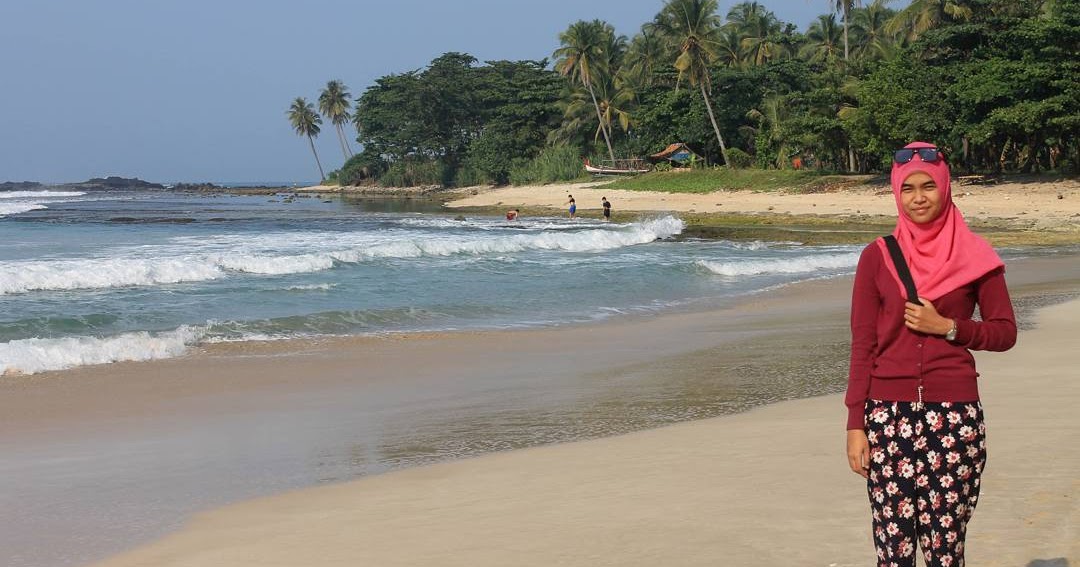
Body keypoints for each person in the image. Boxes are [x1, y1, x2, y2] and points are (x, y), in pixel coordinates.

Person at [844, 141, 1016, 566]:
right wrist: (854, 424)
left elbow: (1005, 332)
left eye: (928, 187)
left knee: (945, 547)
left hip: (955, 415)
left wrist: (951, 328)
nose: (918, 198)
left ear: (945, 188)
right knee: (894, 549)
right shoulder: (877, 257)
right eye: (907, 189)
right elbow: (862, 345)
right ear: (895, 193)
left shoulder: (977, 257)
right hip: (887, 415)